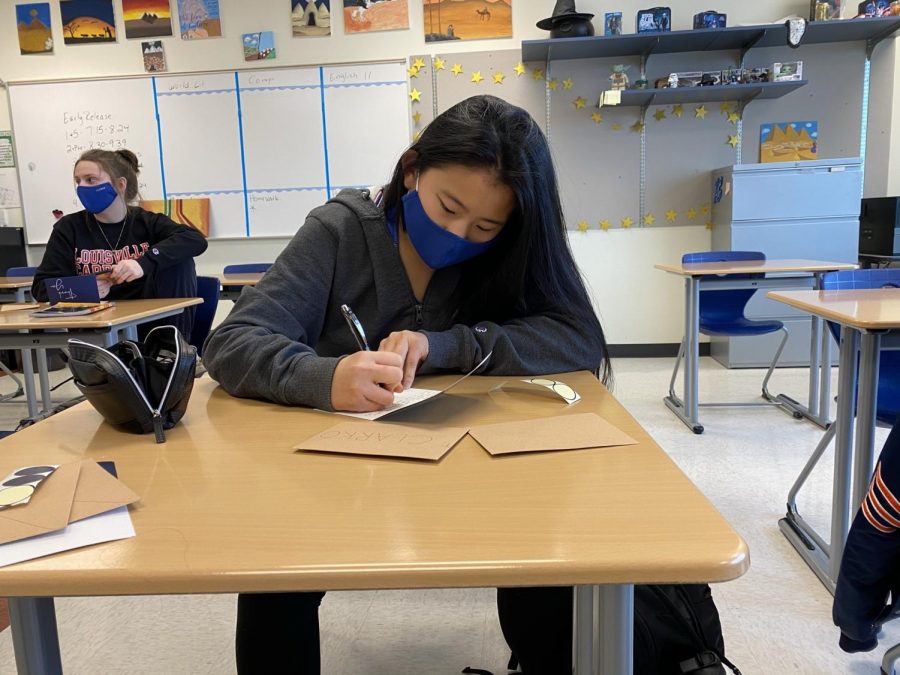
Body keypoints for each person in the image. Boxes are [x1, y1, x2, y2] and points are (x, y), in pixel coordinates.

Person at [202, 94, 611, 674]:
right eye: (447, 207)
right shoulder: (340, 231)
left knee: (545, 552)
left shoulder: (506, 251)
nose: (458, 233)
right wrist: (324, 376)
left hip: (474, 466)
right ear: (411, 169)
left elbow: (576, 340)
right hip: (337, 471)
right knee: (276, 573)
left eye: (484, 226)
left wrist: (448, 345)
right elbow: (232, 342)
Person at [32, 149, 208, 338]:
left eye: (91, 180)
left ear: (120, 184)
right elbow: (41, 288)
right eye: (78, 181)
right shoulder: (68, 228)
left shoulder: (147, 222)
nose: (82, 187)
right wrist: (86, 289)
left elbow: (194, 239)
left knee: (181, 261)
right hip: (97, 329)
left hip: (149, 326)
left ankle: (172, 351)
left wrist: (141, 263)